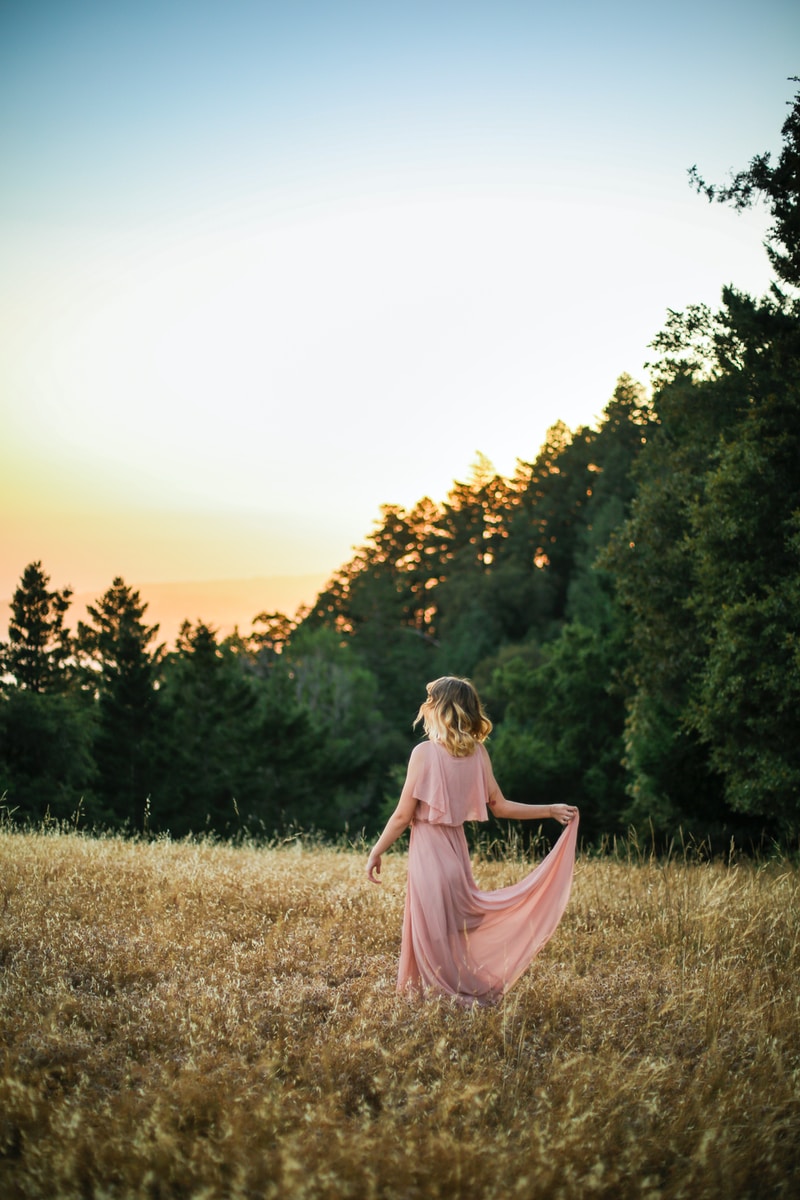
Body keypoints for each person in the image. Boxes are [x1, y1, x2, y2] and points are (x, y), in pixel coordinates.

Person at [366, 675, 579, 1006]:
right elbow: (502, 806)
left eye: (430, 700)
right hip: (456, 857)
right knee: (450, 936)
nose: (425, 705)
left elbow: (401, 816)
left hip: (429, 855)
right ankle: (454, 994)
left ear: (440, 708)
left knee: (430, 935)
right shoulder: (477, 753)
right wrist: (549, 809)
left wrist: (375, 851)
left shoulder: (423, 753)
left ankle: (448, 998)